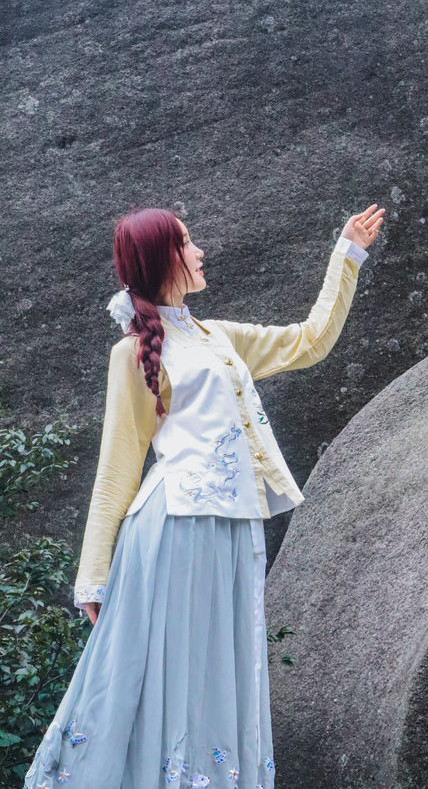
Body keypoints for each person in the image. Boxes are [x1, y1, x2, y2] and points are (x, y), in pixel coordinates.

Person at [23, 203, 384, 789]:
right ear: (160, 258)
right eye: (186, 243)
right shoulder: (132, 353)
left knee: (221, 671)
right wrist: (92, 577)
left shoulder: (220, 337)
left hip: (234, 526)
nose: (199, 252)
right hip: (176, 526)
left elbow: (309, 342)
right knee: (170, 673)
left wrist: (347, 254)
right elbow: (117, 466)